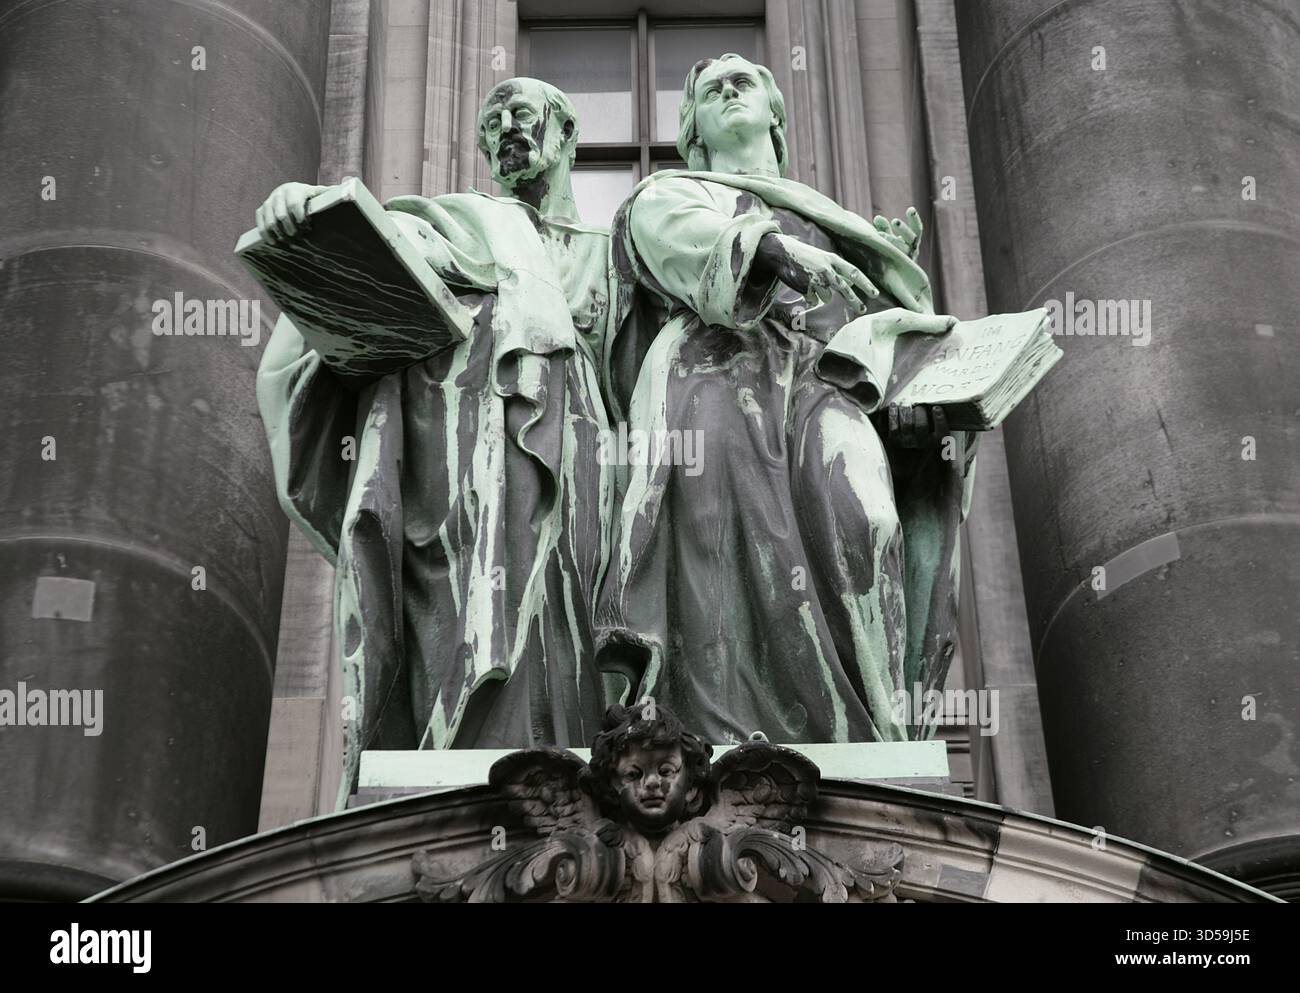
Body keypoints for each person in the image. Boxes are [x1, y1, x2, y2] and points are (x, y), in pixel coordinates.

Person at [255, 79, 618, 804]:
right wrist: (309, 223)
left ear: (568, 132)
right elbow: (395, 242)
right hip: (464, 455)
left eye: (524, 113)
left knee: (560, 629)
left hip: (592, 477)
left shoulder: (616, 255)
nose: (508, 128)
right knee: (468, 605)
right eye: (492, 122)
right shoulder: (465, 221)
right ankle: (461, 766)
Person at [595, 54, 975, 746]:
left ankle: (866, 738)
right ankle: (714, 737)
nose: (731, 91)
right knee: (711, 546)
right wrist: (772, 252)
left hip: (825, 384)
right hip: (711, 376)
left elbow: (889, 340)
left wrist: (918, 402)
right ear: (694, 131)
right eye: (712, 90)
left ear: (776, 113)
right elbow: (658, 235)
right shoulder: (680, 190)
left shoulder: (838, 222)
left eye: (745, 83)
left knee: (866, 513)